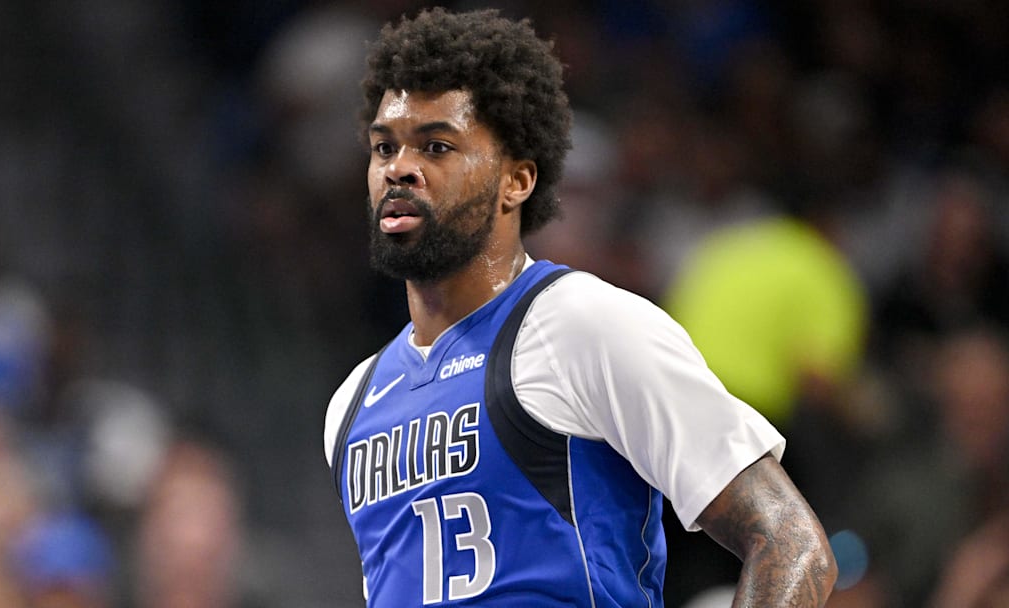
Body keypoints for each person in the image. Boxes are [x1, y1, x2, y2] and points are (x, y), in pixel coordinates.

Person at [323, 8, 837, 607]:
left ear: (516, 181)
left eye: (437, 145)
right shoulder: (351, 406)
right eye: (384, 146)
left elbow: (790, 544)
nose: (399, 168)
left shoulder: (582, 327)